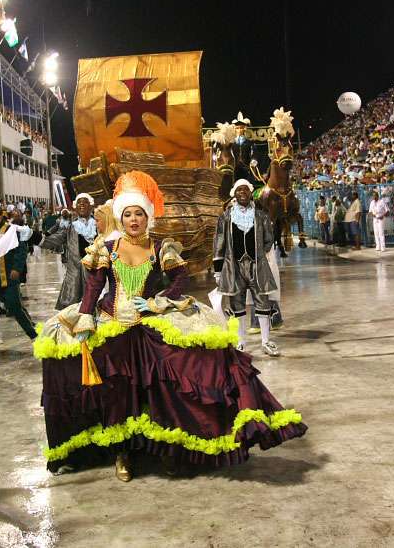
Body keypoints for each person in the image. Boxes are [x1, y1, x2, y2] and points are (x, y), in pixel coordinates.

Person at [34, 171, 306, 479]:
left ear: (147, 217)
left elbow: (181, 278)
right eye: (128, 214)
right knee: (118, 391)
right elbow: (93, 287)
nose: (133, 219)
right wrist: (85, 316)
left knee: (165, 389)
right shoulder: (105, 249)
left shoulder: (159, 246)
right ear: (120, 218)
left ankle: (168, 450)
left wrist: (158, 302)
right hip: (113, 326)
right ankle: (122, 453)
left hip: (150, 325)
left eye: (139, 213)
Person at [213, 179, 280, 356]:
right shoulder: (226, 217)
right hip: (234, 267)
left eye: (246, 189)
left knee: (263, 303)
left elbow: (268, 239)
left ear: (251, 193)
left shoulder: (261, 216)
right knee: (237, 305)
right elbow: (219, 242)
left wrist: (260, 256)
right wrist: (218, 270)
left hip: (256, 266)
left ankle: (266, 342)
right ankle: (240, 343)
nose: (243, 192)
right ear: (234, 194)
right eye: (239, 189)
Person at [0, 204, 37, 348]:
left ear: (1, 216)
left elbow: (22, 250)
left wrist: (17, 268)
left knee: (15, 307)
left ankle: (34, 334)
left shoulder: (10, 231)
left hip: (8, 278)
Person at [29, 194, 97, 310]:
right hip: (74, 276)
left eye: (85, 201)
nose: (82, 204)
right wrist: (31, 235)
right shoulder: (70, 228)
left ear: (91, 205)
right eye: (79, 202)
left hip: (96, 274)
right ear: (75, 207)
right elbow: (50, 241)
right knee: (73, 311)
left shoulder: (100, 226)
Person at [230, 111, 256, 183]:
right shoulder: (231, 143)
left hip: (246, 167)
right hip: (235, 168)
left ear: (244, 129)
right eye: (237, 128)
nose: (239, 130)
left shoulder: (249, 142)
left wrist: (253, 159)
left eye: (241, 128)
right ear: (234, 129)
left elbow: (253, 152)